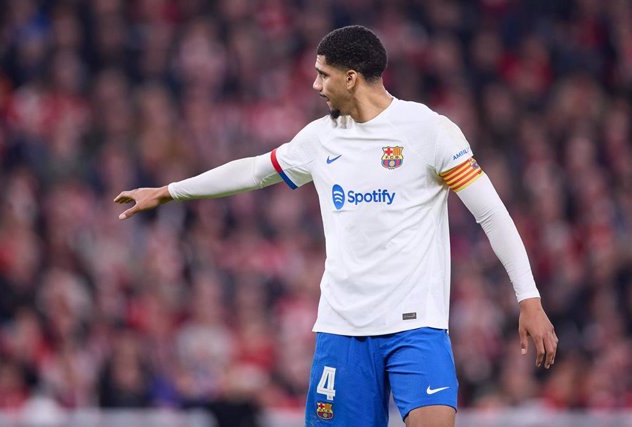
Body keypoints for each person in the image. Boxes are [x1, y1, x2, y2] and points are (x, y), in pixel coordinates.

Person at [115, 25, 558, 427]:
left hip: (416, 326)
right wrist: (169, 190)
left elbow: (491, 213)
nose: (315, 85)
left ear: (351, 77)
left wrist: (529, 298)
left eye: (322, 74)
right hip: (343, 330)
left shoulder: (429, 131)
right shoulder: (320, 138)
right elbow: (253, 171)